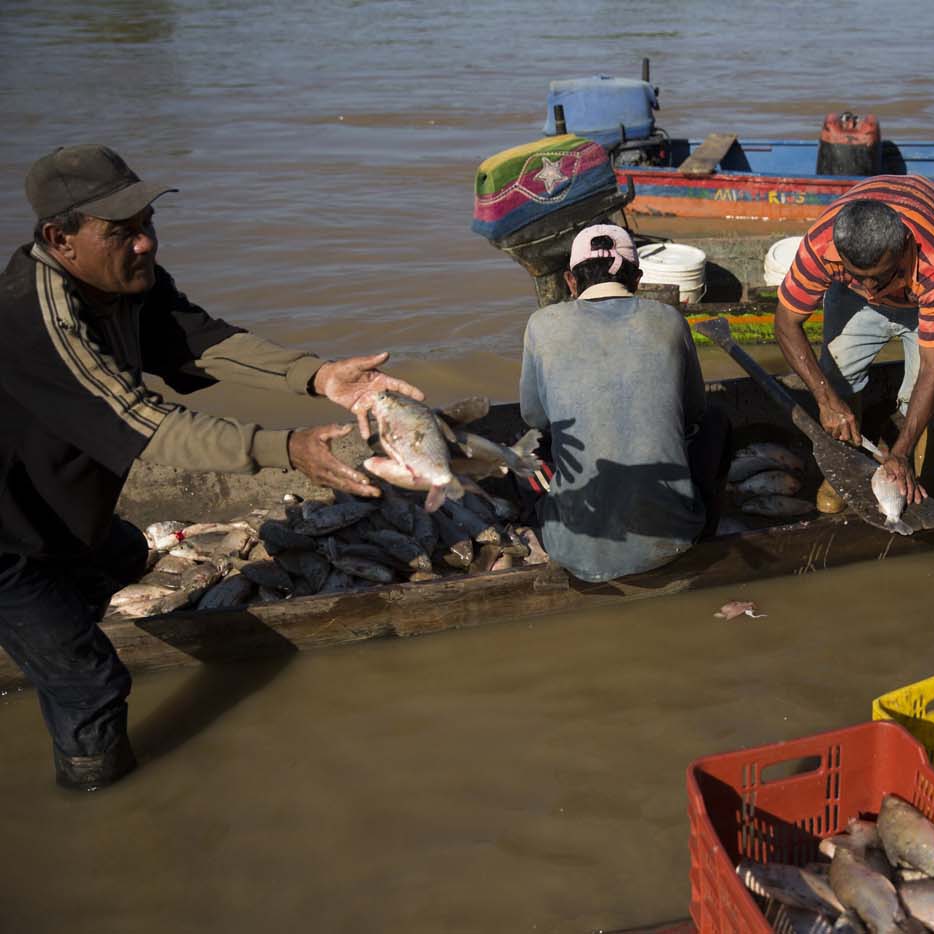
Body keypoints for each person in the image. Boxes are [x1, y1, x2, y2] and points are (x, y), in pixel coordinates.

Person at [0, 144, 425, 791]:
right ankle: (96, 801)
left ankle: (44, 644)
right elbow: (145, 424)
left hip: (54, 508)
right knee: (94, 685)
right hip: (7, 539)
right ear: (61, 239)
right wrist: (285, 449)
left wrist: (316, 376)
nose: (146, 244)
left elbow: (204, 341)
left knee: (124, 555)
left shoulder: (123, 281)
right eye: (123, 231)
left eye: (147, 224)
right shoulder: (38, 317)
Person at [518, 224, 730, 583]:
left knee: (525, 451)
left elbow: (534, 416)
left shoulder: (542, 324)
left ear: (571, 280)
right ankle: (702, 522)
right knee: (717, 422)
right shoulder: (670, 320)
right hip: (675, 540)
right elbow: (694, 411)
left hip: (571, 552)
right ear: (638, 279)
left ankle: (549, 520)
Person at [773, 175, 934, 512]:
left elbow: (932, 369)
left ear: (905, 245)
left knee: (933, 395)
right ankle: (846, 473)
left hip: (920, 296)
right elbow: (786, 323)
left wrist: (902, 451)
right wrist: (825, 398)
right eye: (857, 275)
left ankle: (931, 479)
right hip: (854, 299)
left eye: (879, 276)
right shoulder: (822, 245)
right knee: (836, 377)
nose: (870, 288)